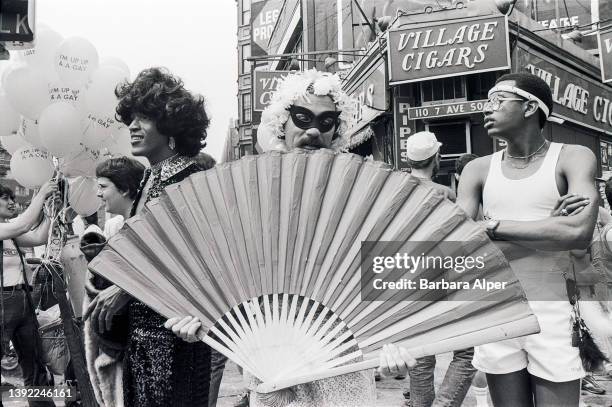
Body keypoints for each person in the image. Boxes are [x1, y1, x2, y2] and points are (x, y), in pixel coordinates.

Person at [166, 69, 416, 407]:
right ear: (281, 124)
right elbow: (223, 272)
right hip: (270, 362)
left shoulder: (358, 194)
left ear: (337, 132)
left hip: (341, 365)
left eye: (327, 122)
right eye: (302, 117)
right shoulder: (249, 194)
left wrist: (394, 341)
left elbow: (383, 276)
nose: (313, 130)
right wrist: (199, 319)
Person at [456, 73, 598, 406]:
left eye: (498, 102)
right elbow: (461, 246)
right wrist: (550, 227)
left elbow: (578, 233)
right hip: (496, 308)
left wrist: (491, 226)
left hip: (556, 313)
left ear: (530, 106)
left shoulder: (573, 157)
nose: (486, 111)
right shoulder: (477, 169)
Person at [85, 67, 211, 407]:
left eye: (145, 118)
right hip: (142, 336)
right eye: (130, 118)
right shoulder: (148, 179)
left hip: (177, 335)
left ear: (170, 124)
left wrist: (125, 289)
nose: (133, 126)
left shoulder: (190, 177)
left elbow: (197, 261)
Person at [402, 131, 476, 407]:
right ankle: (444, 404)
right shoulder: (443, 193)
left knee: (421, 353)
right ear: (436, 158)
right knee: (468, 349)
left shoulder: (396, 187)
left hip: (406, 276)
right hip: (445, 274)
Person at [80, 157, 145, 407]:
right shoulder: (118, 230)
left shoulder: (140, 231)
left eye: (103, 186)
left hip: (133, 352)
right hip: (118, 348)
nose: (97, 193)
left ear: (125, 189)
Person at [0, 180, 58, 407]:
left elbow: (38, 238)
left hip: (23, 298)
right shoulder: (9, 228)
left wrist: (49, 212)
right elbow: (24, 225)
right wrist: (41, 193)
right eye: (5, 198)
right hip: (2, 301)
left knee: (34, 362)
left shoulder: (10, 231)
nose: (12, 202)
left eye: (13, 198)